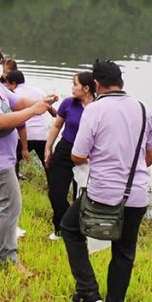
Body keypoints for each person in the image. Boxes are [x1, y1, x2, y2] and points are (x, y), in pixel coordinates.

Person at [62, 59, 152, 302]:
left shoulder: (95, 109)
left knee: (70, 228)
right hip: (136, 194)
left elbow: (78, 154)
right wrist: (131, 170)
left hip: (102, 193)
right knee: (124, 252)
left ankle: (87, 291)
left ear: (96, 84)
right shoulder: (143, 108)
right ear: (121, 81)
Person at [0, 45, 57, 272]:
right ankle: (7, 257)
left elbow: (17, 103)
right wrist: (34, 111)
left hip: (0, 155)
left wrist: (42, 102)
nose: (0, 68)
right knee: (10, 205)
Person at [43, 71, 95, 240]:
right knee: (56, 194)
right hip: (65, 150)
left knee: (81, 196)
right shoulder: (68, 104)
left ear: (86, 88)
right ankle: (61, 228)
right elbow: (57, 126)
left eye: (75, 84)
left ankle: (79, 231)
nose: (72, 88)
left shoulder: (99, 107)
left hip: (87, 156)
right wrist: (48, 148)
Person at [2, 69, 54, 179]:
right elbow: (53, 112)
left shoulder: (13, 95)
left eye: (7, 84)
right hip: (42, 135)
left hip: (23, 135)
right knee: (48, 164)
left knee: (13, 160)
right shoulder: (38, 91)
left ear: (13, 83)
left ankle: (14, 180)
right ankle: (54, 186)